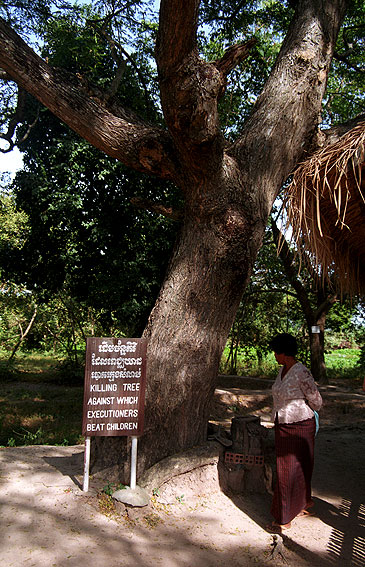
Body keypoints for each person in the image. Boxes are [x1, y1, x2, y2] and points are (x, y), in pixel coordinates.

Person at [267, 333, 323, 534]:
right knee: (287, 469)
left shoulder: (302, 372)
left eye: (276, 352)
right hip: (282, 425)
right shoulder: (282, 370)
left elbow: (316, 400)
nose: (274, 356)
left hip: (300, 426)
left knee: (294, 468)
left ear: (285, 353)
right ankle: (301, 504)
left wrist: (303, 407)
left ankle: (284, 518)